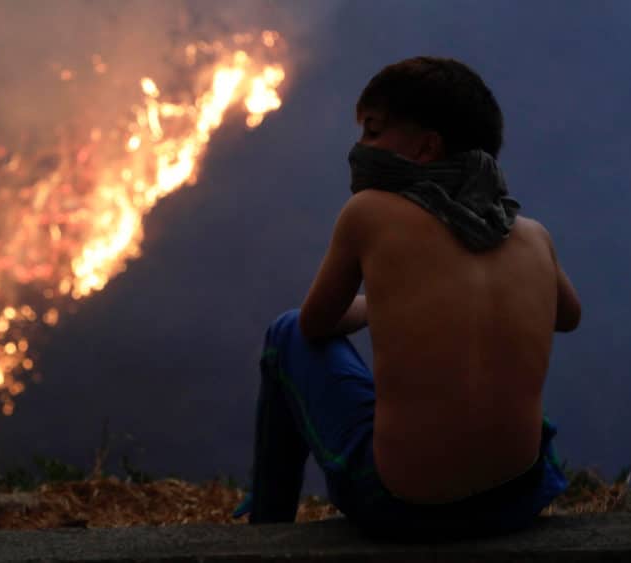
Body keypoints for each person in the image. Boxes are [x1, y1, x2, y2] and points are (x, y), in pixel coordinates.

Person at [235, 56, 581, 541]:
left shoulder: (369, 214)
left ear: (426, 147)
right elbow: (568, 316)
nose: (359, 149)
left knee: (287, 331)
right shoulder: (532, 234)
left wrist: (377, 305)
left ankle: (263, 533)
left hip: (404, 507)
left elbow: (316, 325)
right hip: (518, 498)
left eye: (373, 132)